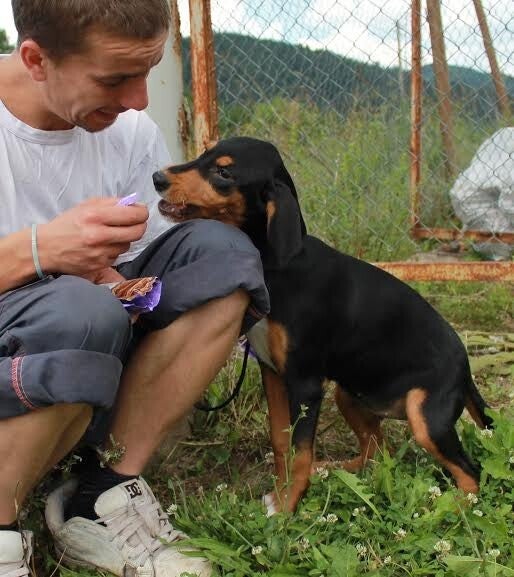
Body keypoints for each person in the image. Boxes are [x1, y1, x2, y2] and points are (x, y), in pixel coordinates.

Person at [0, 1, 269, 576]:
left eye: (147, 71)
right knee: (80, 307)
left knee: (222, 257)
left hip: (80, 352)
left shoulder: (127, 131)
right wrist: (39, 251)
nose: (139, 100)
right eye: (114, 79)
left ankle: (102, 492)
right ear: (36, 60)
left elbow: (137, 273)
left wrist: (119, 282)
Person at [449, 127, 514, 261]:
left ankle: (477, 234)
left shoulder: (508, 133)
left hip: (485, 191)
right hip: (471, 196)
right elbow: (508, 205)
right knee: (504, 247)